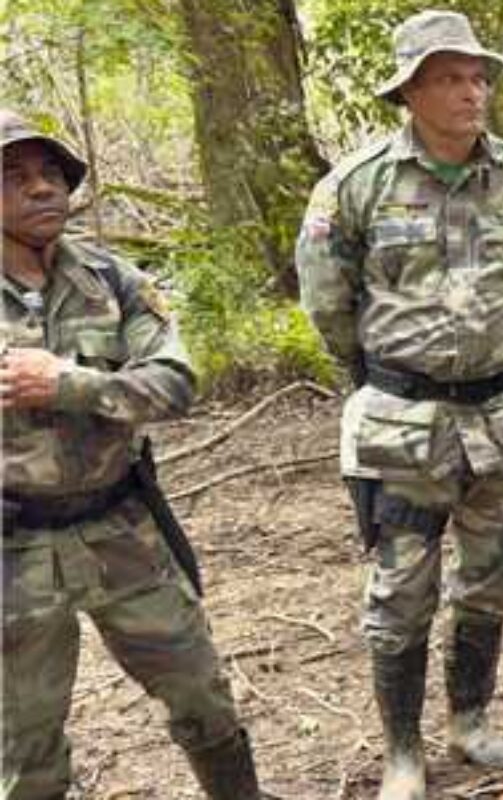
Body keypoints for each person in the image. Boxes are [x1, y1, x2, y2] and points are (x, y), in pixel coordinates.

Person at [294, 10, 503, 798]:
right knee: (400, 593)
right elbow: (327, 303)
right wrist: (388, 371)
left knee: (492, 580)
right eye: (450, 77)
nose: (471, 91)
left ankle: (471, 719)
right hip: (403, 425)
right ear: (409, 91)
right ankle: (404, 752)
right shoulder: (357, 186)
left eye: (479, 76)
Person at [1, 109, 260, 798]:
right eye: (14, 176)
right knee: (24, 747)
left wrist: (71, 385)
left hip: (121, 530)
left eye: (51, 173)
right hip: (12, 549)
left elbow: (176, 384)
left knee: (202, 697)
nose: (41, 189)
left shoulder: (112, 279)